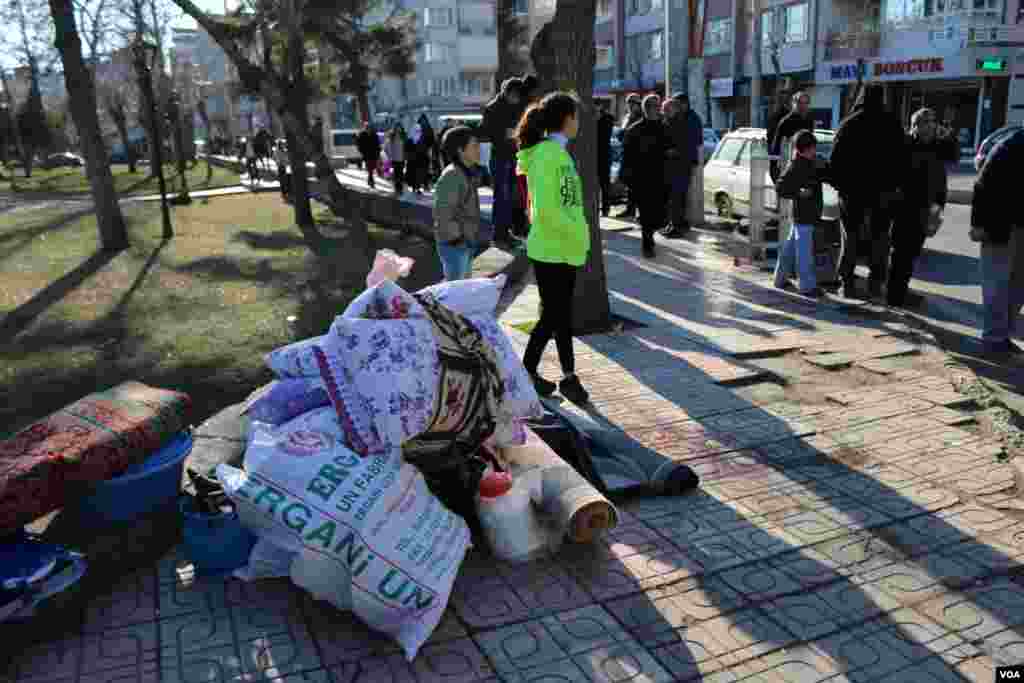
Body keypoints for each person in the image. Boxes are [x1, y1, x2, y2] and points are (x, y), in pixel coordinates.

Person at [515, 92, 590, 405]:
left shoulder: (555, 153)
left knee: (559, 316)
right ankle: (528, 373)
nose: (578, 121)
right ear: (567, 118)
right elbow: (547, 209)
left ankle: (566, 376)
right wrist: (577, 233)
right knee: (554, 316)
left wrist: (576, 234)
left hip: (559, 247)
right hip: (553, 248)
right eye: (576, 115)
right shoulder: (549, 155)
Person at [829, 85, 907, 300]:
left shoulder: (849, 124)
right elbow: (903, 161)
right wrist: (895, 187)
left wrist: (840, 186)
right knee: (880, 239)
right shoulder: (892, 124)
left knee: (850, 237)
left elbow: (835, 162)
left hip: (852, 193)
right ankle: (875, 284)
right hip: (883, 194)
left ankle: (847, 283)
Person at [887, 108, 958, 309]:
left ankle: (900, 291)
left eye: (933, 121)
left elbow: (953, 156)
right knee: (901, 254)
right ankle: (894, 297)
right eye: (926, 122)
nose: (931, 125)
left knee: (912, 254)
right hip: (906, 209)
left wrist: (949, 132)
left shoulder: (936, 144)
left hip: (929, 208)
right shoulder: (906, 144)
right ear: (915, 126)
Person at [971, 126, 1024, 353]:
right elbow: (982, 184)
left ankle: (1002, 336)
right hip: (1000, 226)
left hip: (1020, 225)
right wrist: (978, 225)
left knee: (1018, 286)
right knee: (997, 283)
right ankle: (993, 339)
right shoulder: (1011, 145)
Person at [773, 130, 828, 298]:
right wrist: (798, 193)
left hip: (805, 213)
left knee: (790, 248)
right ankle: (807, 286)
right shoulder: (796, 166)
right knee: (804, 252)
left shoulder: (810, 162)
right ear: (805, 149)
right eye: (813, 148)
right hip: (803, 214)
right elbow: (780, 187)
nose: (815, 150)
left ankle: (780, 279)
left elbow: (823, 174)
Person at [433, 127, 485, 281]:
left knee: (462, 286)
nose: (479, 150)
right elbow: (443, 212)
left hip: (464, 242)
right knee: (456, 287)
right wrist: (457, 240)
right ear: (461, 151)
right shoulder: (453, 175)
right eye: (474, 146)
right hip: (455, 245)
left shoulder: (465, 171)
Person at [623, 94, 667, 258]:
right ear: (647, 109)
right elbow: (627, 156)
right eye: (655, 107)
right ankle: (647, 244)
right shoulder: (634, 130)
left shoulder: (664, 127)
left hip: (661, 178)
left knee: (659, 215)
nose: (658, 109)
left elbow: (672, 146)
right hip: (642, 179)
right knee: (646, 213)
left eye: (658, 106)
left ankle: (650, 234)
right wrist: (627, 178)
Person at [483, 77, 526, 243]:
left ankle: (510, 230)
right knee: (502, 196)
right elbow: (487, 133)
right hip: (500, 156)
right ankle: (499, 233)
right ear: (508, 93)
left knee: (514, 195)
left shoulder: (518, 106)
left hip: (515, 155)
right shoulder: (493, 108)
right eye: (515, 96)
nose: (517, 99)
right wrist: (504, 133)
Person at [661, 93, 703, 238]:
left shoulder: (687, 120)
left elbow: (692, 141)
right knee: (676, 197)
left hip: (681, 163)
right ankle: (675, 224)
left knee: (677, 196)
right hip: (676, 163)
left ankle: (677, 226)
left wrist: (675, 151)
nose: (665, 113)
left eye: (668, 110)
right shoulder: (674, 120)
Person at [770, 91, 815, 181]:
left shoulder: (809, 120)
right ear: (793, 103)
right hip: (789, 167)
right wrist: (775, 170)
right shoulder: (786, 121)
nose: (803, 106)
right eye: (800, 102)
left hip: (805, 167)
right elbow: (776, 147)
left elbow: (811, 144)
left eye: (806, 103)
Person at [615, 94, 644, 219]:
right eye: (629, 103)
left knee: (639, 185)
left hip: (638, 155)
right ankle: (630, 209)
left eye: (633, 103)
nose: (630, 106)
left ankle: (641, 211)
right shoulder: (627, 117)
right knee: (629, 184)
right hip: (627, 153)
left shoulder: (641, 117)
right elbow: (622, 133)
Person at [596, 102, 615, 217]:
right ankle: (597, 207)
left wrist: (598, 117)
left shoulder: (607, 118)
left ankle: (606, 209)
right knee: (596, 184)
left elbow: (609, 123)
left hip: (603, 155)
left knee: (604, 184)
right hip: (594, 155)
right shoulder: (590, 119)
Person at [356, 122, 382, 189]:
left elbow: (378, 144)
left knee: (372, 167)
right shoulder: (362, 134)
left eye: (369, 127)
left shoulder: (374, 134)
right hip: (366, 154)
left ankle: (370, 179)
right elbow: (359, 144)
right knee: (369, 167)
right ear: (365, 128)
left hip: (374, 154)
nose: (368, 129)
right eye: (366, 127)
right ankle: (371, 180)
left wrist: (378, 151)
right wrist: (362, 151)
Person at [386, 126, 407, 195]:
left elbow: (406, 147)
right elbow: (388, 147)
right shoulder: (391, 137)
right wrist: (390, 156)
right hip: (394, 158)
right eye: (397, 129)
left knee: (400, 173)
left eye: (399, 129)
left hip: (402, 158)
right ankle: (397, 187)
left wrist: (406, 156)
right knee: (396, 173)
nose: (398, 130)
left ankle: (399, 187)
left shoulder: (404, 137)